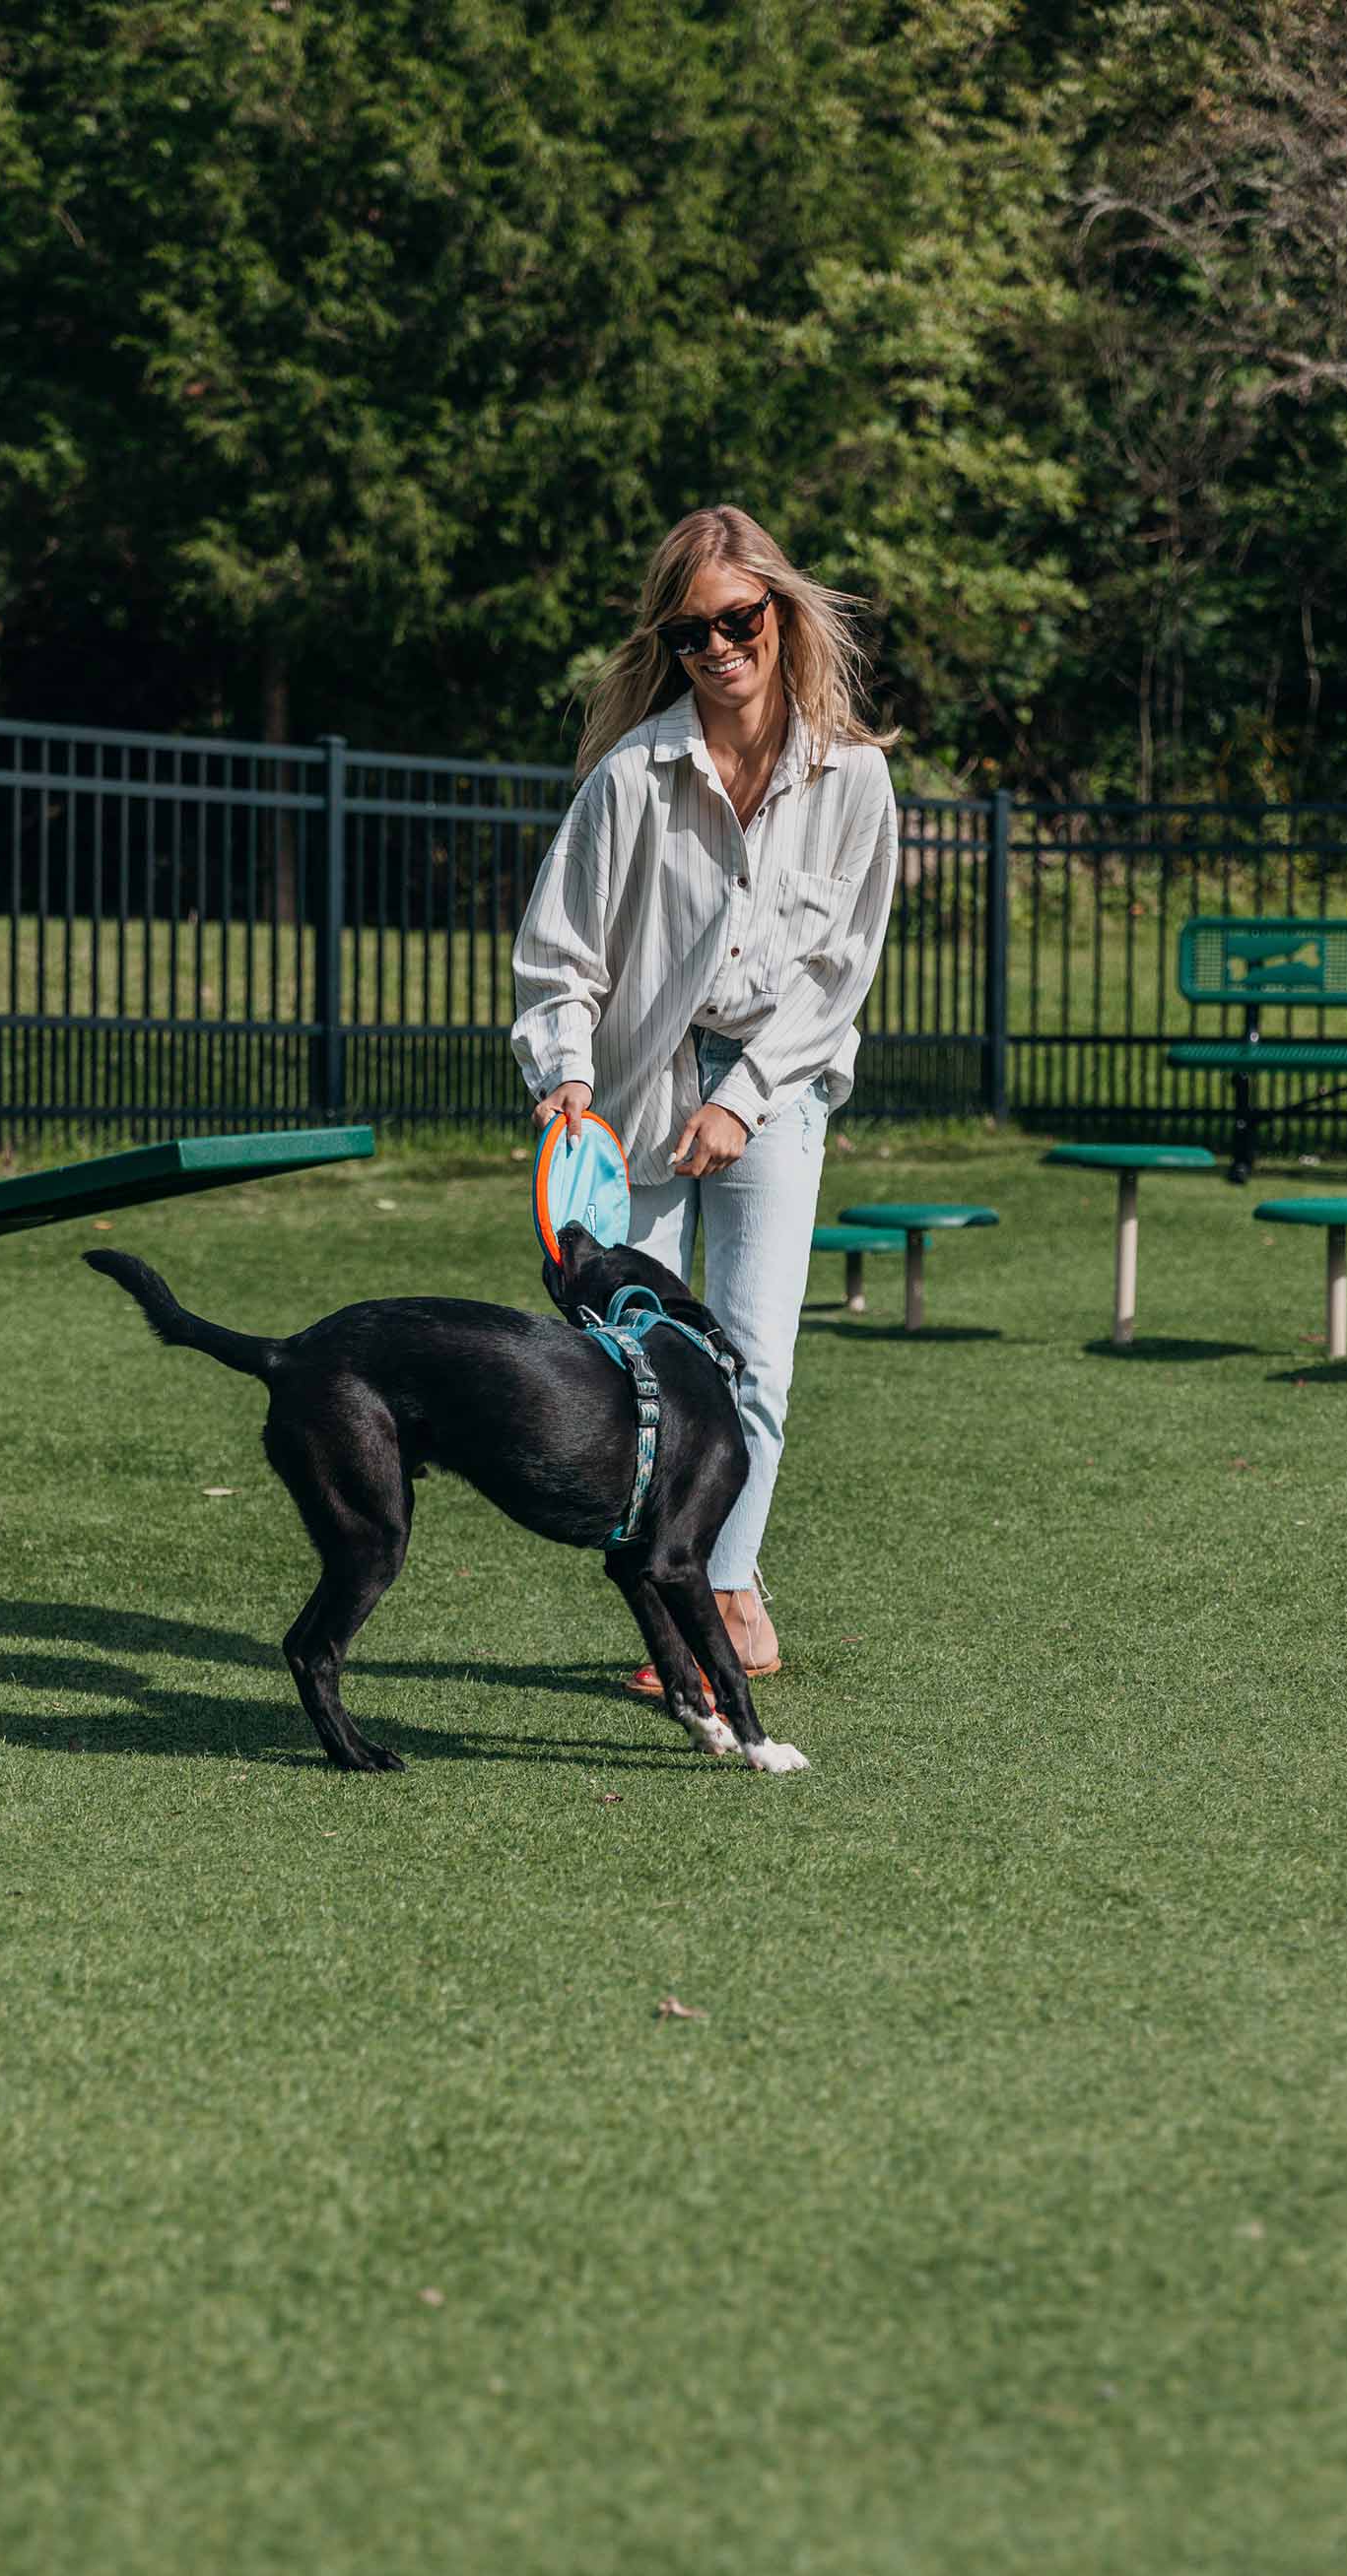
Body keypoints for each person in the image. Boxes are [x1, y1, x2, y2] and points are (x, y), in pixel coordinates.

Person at [510, 502, 899, 1694]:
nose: (719, 647)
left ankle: (728, 1590)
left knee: (753, 1359)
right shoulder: (630, 779)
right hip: (631, 1095)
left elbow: (840, 970)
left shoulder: (855, 779)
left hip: (775, 1086)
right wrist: (566, 1083)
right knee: (636, 1363)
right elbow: (558, 958)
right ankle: (669, 1593)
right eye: (691, 632)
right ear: (666, 645)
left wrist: (749, 1099)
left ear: (780, 613)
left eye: (740, 619)